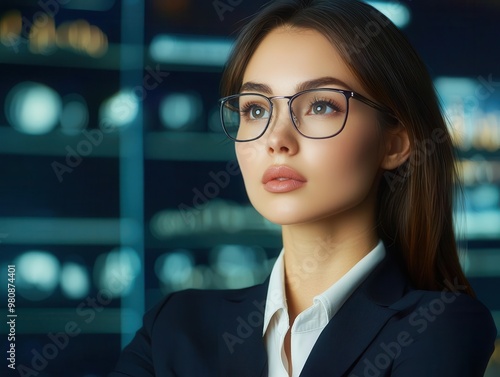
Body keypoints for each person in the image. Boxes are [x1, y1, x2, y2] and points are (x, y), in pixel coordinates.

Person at [109, 0, 497, 376]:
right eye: (256, 109)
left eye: (320, 106)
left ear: (394, 143)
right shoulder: (174, 325)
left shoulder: (439, 326)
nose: (277, 139)